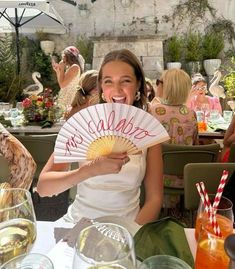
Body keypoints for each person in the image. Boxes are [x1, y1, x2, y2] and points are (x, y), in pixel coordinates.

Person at [37, 49, 164, 225]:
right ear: (102, 88)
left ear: (138, 85)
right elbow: (43, 188)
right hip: (78, 225)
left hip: (127, 229)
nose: (117, 89)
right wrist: (89, 170)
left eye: (125, 81)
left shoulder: (148, 132)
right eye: (108, 81)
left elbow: (155, 199)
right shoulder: (83, 124)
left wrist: (131, 234)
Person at [150, 68, 199, 145]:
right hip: (185, 156)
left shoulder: (151, 111)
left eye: (158, 82)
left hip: (158, 156)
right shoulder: (191, 114)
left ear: (166, 87)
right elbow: (195, 144)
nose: (156, 85)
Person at [52, 46, 85, 113]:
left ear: (68, 56)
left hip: (69, 99)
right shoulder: (70, 68)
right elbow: (61, 82)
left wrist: (62, 68)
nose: (62, 58)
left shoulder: (75, 67)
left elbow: (62, 85)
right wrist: (58, 71)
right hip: (65, 96)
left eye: (64, 55)